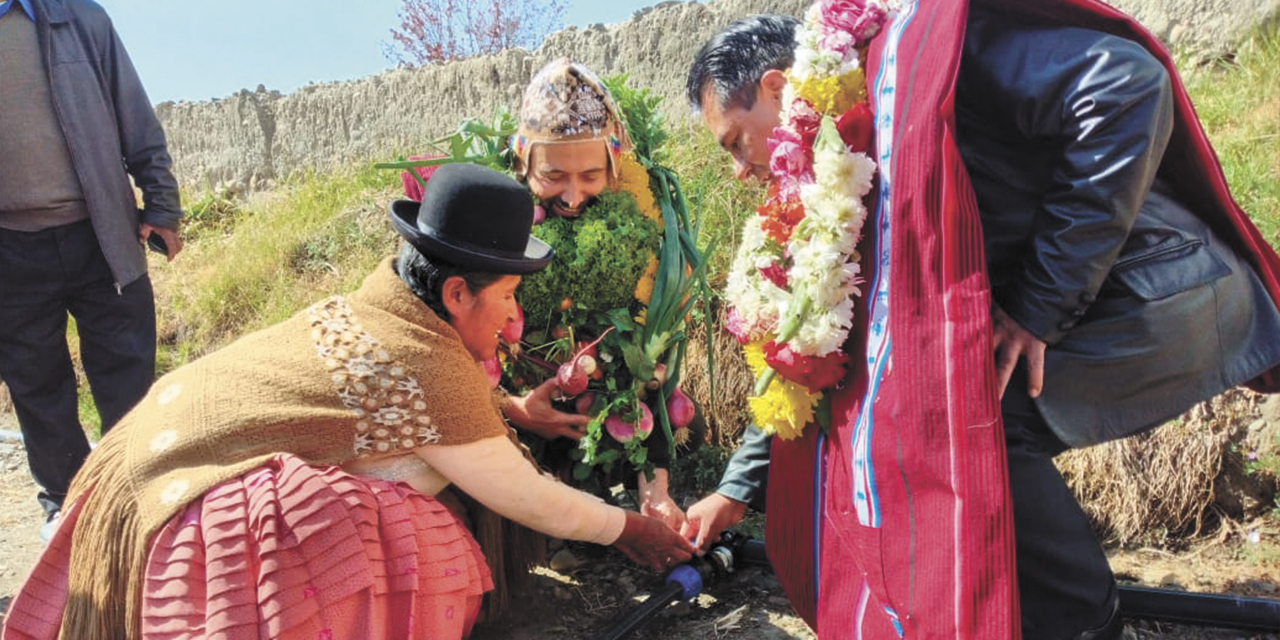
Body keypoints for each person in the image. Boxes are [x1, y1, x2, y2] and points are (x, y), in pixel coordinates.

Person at [684, 3, 1280, 639]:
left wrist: (1036, 308)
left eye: (735, 143)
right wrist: (735, 490)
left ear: (777, 87)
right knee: (896, 403)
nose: (740, 170)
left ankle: (1083, 619)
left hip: (1158, 290)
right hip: (1092, 303)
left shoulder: (921, 57)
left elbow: (1125, 85)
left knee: (952, 413)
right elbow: (806, 366)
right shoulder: (824, 170)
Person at [1, 163, 695, 640]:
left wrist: (512, 409)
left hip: (136, 462)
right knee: (407, 529)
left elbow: (411, 413)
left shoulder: (381, 308)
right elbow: (526, 495)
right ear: (456, 294)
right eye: (508, 295)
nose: (512, 313)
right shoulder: (424, 366)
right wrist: (633, 530)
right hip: (178, 511)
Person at [0, 0, 183, 540]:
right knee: (37, 385)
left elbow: (134, 114)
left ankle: (135, 496)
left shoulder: (81, 18)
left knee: (126, 372)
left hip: (101, 232)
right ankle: (65, 504)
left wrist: (163, 206)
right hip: (10, 247)